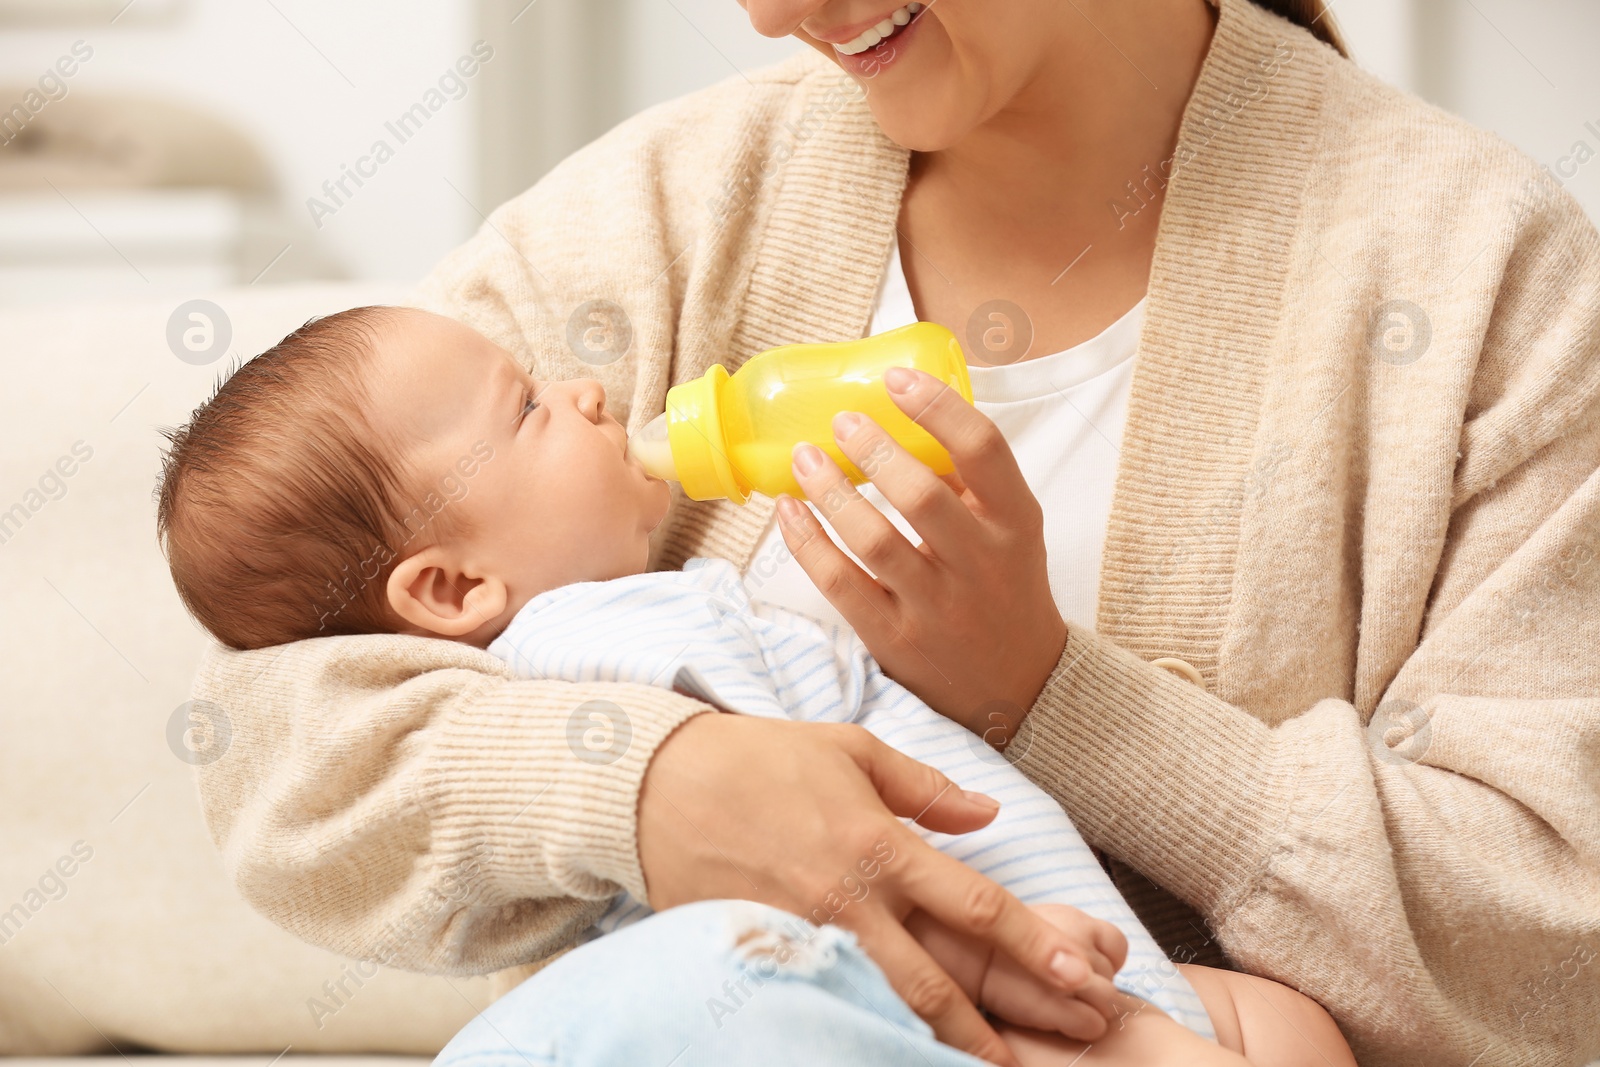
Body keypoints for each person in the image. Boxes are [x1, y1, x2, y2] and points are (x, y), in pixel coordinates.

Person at [177, 0, 1600, 1064]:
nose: (770, 12)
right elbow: (273, 723)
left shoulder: (1480, 276)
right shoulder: (676, 210)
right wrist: (650, 781)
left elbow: (1553, 930)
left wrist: (1050, 696)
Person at [155, 304, 1359, 1064]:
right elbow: (815, 843)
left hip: (1040, 928)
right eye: (526, 409)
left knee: (1296, 1025)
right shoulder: (591, 645)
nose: (584, 389)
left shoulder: (630, 610)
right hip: (933, 975)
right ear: (452, 591)